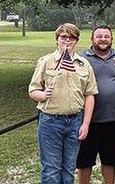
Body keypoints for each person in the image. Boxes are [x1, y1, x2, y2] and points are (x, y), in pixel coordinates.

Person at [28, 23, 98, 184]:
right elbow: (33, 90)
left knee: (69, 168)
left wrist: (85, 124)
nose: (68, 40)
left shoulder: (84, 64)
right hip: (50, 122)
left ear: (76, 41)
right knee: (51, 169)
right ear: (57, 39)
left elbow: (90, 95)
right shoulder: (45, 62)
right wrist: (43, 94)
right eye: (64, 37)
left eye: (72, 37)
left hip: (75, 122)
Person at [77, 25, 115, 184]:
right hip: (87, 121)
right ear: (92, 39)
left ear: (112, 39)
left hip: (114, 119)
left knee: (110, 160)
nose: (103, 39)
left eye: (106, 36)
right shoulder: (81, 59)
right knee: (84, 161)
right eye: (99, 36)